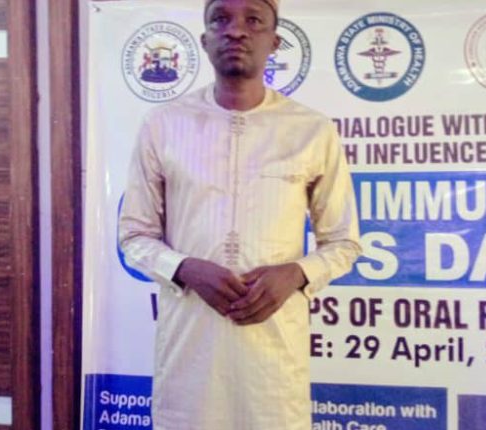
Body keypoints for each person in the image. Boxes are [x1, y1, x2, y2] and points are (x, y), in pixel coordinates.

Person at [118, 0, 361, 429]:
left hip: (273, 364)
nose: (235, 31)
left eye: (253, 20)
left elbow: (343, 242)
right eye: (221, 19)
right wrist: (185, 268)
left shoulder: (311, 130)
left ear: (274, 42)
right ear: (204, 40)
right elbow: (134, 236)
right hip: (190, 359)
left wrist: (297, 274)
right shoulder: (163, 124)